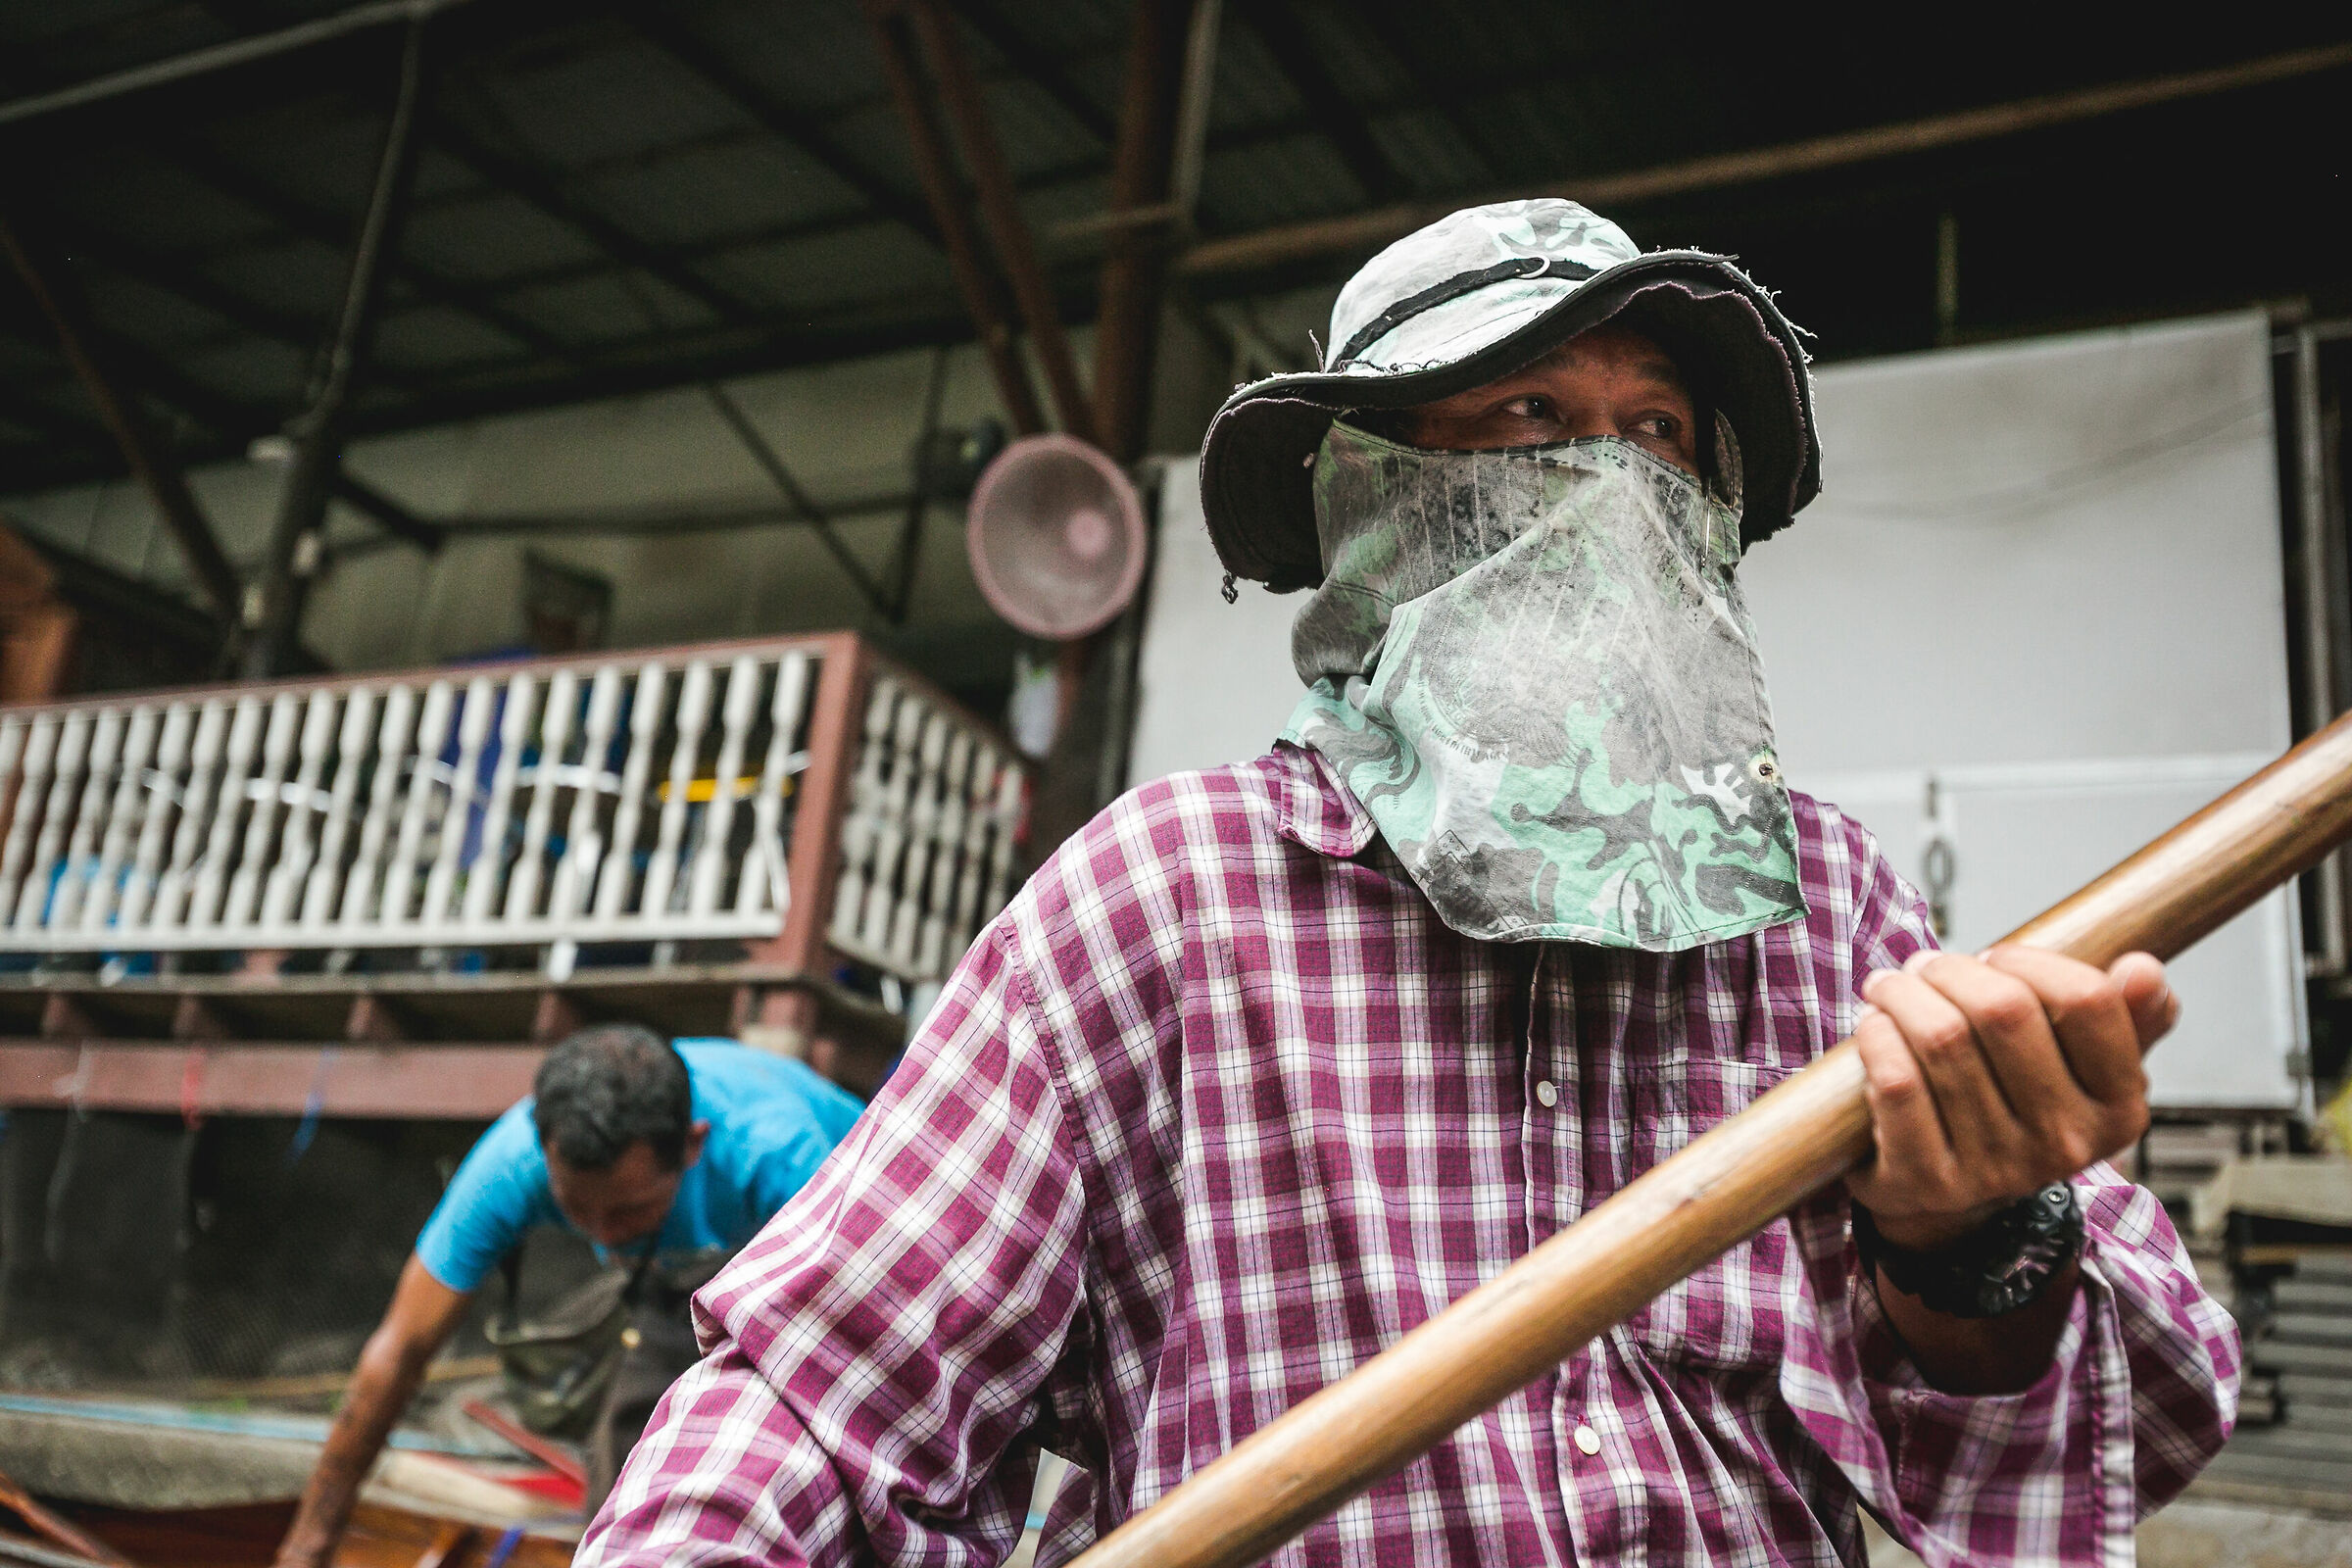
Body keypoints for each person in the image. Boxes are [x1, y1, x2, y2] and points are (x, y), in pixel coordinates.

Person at [577, 202, 2237, 1567]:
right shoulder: (1162, 904)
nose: (1612, 483)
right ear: (1367, 491)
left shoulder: (1823, 919)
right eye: (1526, 418)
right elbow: (823, 1396)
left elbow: (2144, 1422)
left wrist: (1974, 1250)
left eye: (1657, 430)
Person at [272, 1024, 863, 1568]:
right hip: (674, 1278)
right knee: (628, 1453)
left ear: (691, 1146)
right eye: (577, 1211)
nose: (603, 1238)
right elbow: (400, 1348)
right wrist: (307, 1545)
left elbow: (859, 1338)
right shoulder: (513, 1163)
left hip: (853, 1268)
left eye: (628, 1210)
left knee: (779, 1466)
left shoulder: (777, 1153)